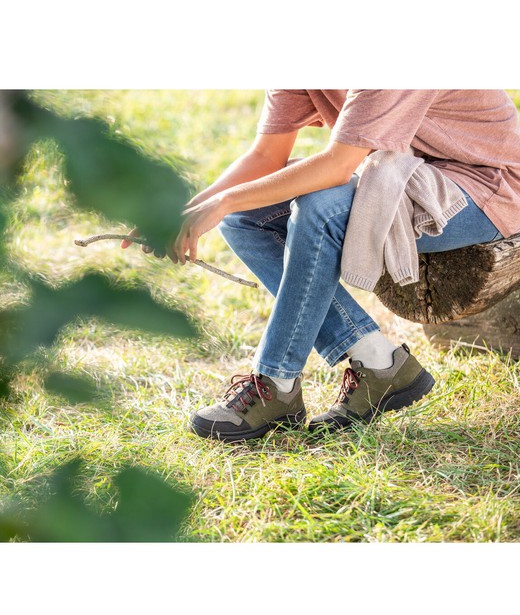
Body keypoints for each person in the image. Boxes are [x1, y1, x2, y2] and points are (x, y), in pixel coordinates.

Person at [123, 90, 520, 441]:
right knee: (245, 216)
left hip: (486, 186)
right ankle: (379, 361)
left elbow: (335, 167)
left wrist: (223, 200)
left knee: (321, 210)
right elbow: (266, 156)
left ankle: (276, 384)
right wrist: (185, 213)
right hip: (397, 171)